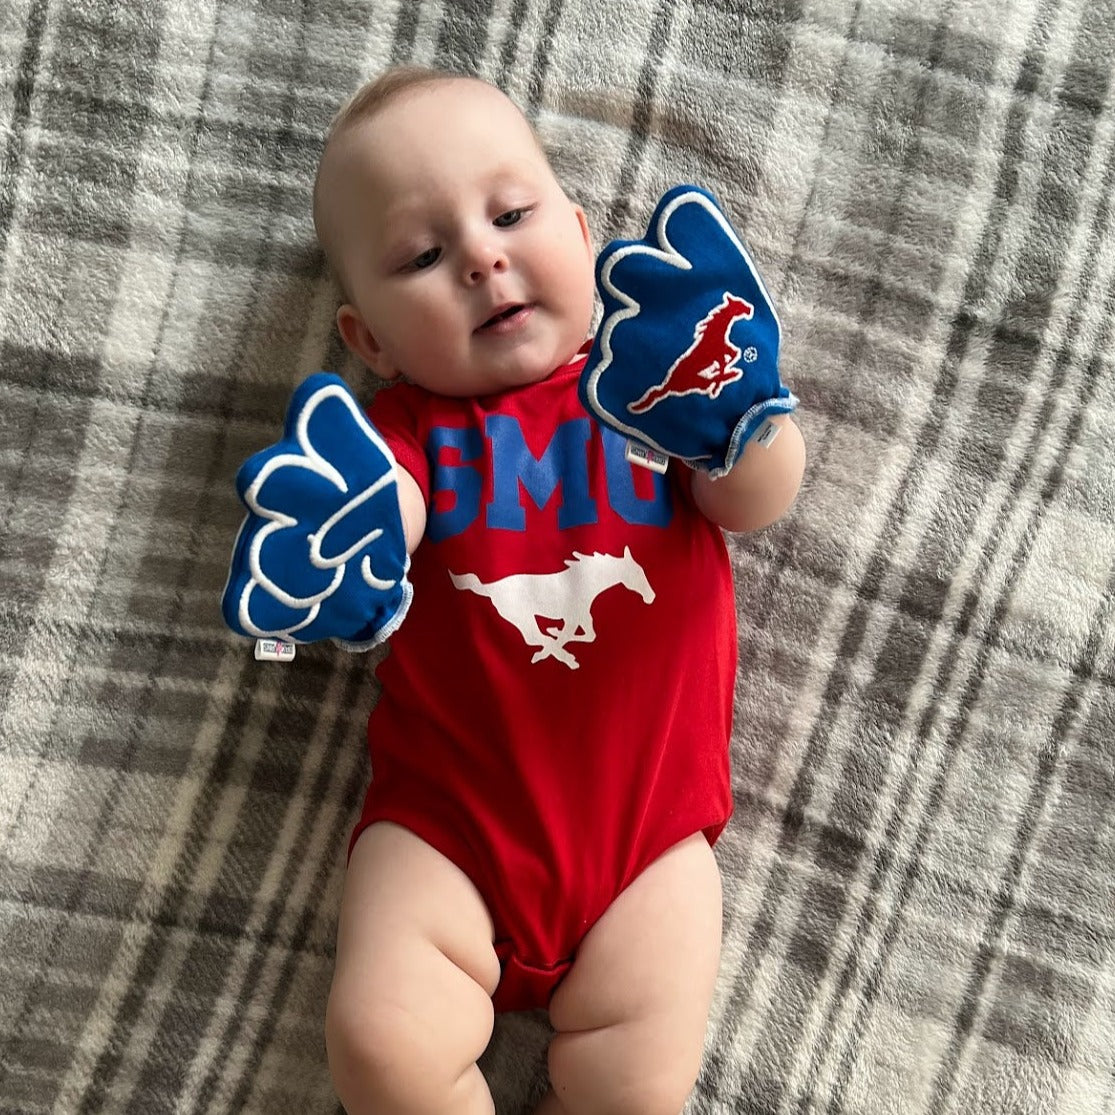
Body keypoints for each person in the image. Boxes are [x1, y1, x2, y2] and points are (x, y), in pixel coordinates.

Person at [311, 64, 805, 1115]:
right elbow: (387, 510)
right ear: (370, 341)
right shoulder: (410, 434)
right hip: (447, 832)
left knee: (638, 1084)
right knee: (380, 1042)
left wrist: (737, 421)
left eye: (511, 213)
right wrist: (346, 529)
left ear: (582, 237)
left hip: (648, 839)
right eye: (421, 254)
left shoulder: (641, 397)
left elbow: (751, 501)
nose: (482, 257)